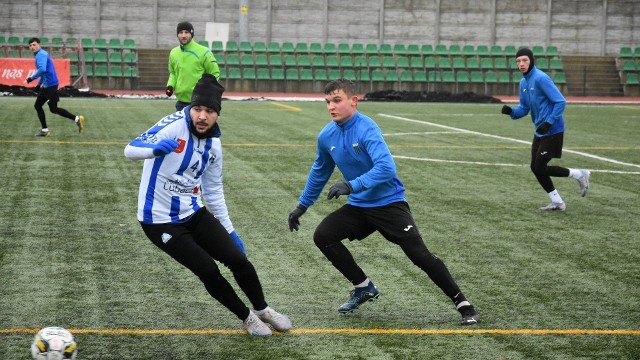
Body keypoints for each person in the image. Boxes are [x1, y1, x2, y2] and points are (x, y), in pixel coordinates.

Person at [287, 78, 479, 325]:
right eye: (327, 102)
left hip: (389, 204)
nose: (331, 107)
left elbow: (387, 167)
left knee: (419, 255)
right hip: (360, 206)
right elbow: (319, 171)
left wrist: (351, 185)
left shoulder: (367, 129)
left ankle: (463, 304)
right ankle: (363, 286)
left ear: (353, 101)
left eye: (337, 100)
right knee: (323, 235)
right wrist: (302, 206)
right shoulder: (327, 135)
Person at [124, 74, 291, 336]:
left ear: (217, 114)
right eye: (198, 109)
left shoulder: (214, 144)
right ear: (191, 109)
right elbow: (130, 149)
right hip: (158, 220)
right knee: (208, 270)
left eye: (209, 111)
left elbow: (213, 190)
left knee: (238, 259)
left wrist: (230, 230)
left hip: (193, 212)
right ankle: (247, 318)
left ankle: (263, 309)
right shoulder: (172, 125)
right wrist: (153, 150)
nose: (202, 116)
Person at [501, 47, 590, 211]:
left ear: (532, 60)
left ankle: (579, 174)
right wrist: (512, 112)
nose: (521, 64)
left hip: (553, 129)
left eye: (525, 60)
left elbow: (560, 102)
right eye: (518, 61)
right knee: (535, 167)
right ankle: (557, 202)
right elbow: (524, 108)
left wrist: (549, 122)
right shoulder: (523, 82)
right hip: (540, 130)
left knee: (540, 167)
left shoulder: (541, 78)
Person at [24, 37, 85, 137]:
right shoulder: (40, 54)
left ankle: (77, 119)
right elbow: (45, 72)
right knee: (38, 106)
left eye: (34, 45)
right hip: (48, 84)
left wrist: (31, 78)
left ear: (39, 45)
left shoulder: (41, 54)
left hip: (51, 85)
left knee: (53, 109)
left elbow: (42, 69)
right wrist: (39, 85)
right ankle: (45, 130)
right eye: (30, 45)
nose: (32, 47)